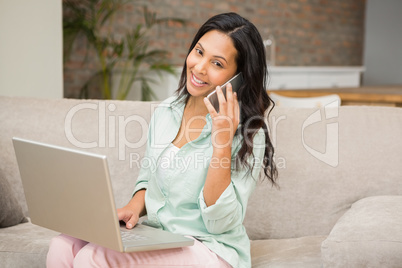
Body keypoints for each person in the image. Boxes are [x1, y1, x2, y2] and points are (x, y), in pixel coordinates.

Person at [47, 12, 277, 268]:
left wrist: (221, 143)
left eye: (217, 64)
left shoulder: (249, 134)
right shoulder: (167, 111)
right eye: (199, 52)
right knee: (63, 246)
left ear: (239, 78)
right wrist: (134, 207)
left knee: (94, 258)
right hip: (161, 237)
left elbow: (220, 222)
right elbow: (149, 176)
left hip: (210, 249)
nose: (199, 67)